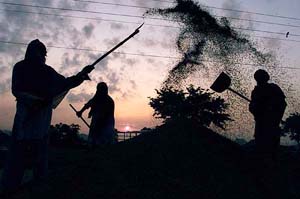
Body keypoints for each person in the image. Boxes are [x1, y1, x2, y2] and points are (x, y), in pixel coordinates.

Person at [1, 39, 94, 192]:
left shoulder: (47, 71)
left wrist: (82, 74)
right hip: (25, 117)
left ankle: (37, 184)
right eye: (40, 53)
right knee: (18, 153)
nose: (41, 56)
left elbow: (64, 83)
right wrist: (32, 100)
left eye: (43, 54)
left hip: (41, 118)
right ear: (31, 52)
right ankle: (11, 187)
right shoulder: (20, 67)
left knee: (39, 152)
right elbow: (16, 89)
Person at [249, 69, 286, 197]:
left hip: (271, 127)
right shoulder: (256, 92)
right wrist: (257, 110)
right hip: (262, 127)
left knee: (271, 154)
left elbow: (282, 104)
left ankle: (273, 183)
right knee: (262, 154)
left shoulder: (273, 89)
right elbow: (252, 108)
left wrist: (273, 115)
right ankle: (262, 182)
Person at [77, 82, 116, 149]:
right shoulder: (96, 98)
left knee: (105, 142)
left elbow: (105, 115)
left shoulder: (109, 101)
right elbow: (88, 104)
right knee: (94, 142)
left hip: (107, 123)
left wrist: (98, 125)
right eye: (100, 90)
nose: (101, 91)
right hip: (96, 121)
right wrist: (80, 112)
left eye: (103, 89)